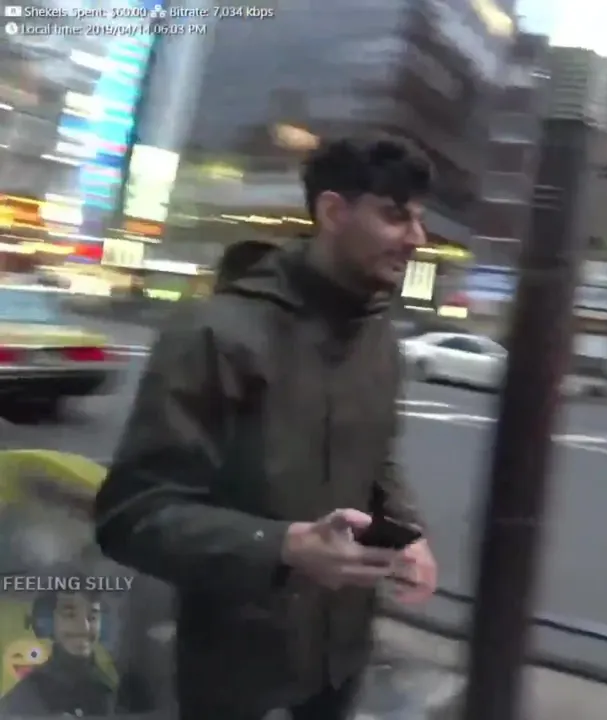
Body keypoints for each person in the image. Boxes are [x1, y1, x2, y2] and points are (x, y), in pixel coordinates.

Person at [93, 135, 439, 720]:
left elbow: (375, 456)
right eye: (394, 215)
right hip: (235, 666)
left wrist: (408, 534)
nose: (417, 238)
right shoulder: (217, 333)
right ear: (333, 211)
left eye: (419, 219)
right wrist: (285, 547)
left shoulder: (377, 335)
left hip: (340, 656)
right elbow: (132, 515)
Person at [0, 588, 116, 715]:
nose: (85, 627)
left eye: (92, 617)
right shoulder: (25, 696)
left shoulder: (111, 692)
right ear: (50, 622)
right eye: (70, 615)